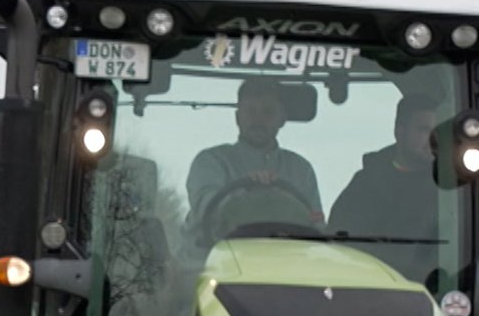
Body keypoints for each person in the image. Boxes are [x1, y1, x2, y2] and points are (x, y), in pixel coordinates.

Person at [184, 78, 323, 240]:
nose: (258, 120)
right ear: (237, 117)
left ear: (282, 118)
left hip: (285, 258)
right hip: (212, 256)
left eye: (268, 112)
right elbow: (205, 210)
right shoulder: (210, 162)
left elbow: (316, 222)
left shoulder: (301, 170)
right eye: (250, 111)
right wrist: (251, 195)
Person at [328, 94, 445, 282]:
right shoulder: (366, 184)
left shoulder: (449, 190)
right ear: (399, 132)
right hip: (372, 286)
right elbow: (340, 244)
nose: (433, 139)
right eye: (424, 130)